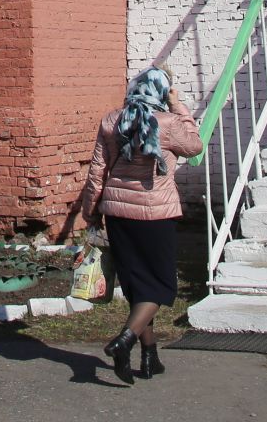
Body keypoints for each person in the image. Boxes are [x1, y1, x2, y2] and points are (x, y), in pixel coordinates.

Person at [75, 66, 203, 384]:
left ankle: (149, 357)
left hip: (118, 214)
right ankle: (124, 340)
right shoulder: (170, 124)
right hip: (155, 215)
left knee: (136, 285)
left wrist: (91, 213)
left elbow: (97, 171)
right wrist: (180, 108)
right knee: (159, 285)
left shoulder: (113, 120)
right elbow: (195, 146)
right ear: (163, 92)